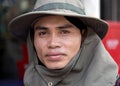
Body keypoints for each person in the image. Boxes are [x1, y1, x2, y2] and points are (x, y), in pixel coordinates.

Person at [8, 0, 118, 86]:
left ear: (83, 35)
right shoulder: (29, 82)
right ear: (32, 39)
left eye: (64, 32)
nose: (53, 43)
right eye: (42, 33)